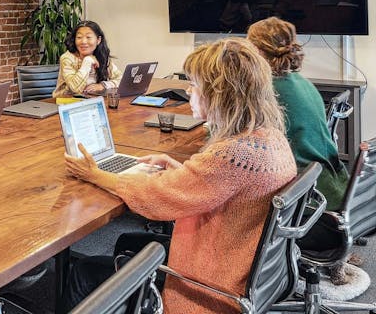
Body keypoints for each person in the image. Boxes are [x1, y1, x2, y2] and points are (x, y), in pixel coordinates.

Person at [61, 38, 296, 314]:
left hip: (208, 288)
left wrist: (97, 175)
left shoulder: (233, 155)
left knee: (84, 270)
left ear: (219, 93)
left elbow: (156, 200)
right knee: (127, 242)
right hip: (240, 268)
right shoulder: (268, 138)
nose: (188, 89)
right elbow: (214, 184)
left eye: (195, 84)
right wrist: (180, 170)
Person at [246, 17, 349, 210]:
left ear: (257, 51)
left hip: (307, 197)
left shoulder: (268, 92)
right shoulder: (301, 82)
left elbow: (240, 140)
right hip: (335, 183)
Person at [52, 20, 122, 98]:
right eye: (79, 37)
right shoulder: (67, 58)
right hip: (66, 103)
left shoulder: (101, 56)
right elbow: (76, 89)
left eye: (88, 37)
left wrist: (103, 85)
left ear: (98, 40)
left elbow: (121, 79)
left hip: (91, 101)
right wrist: (87, 61)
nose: (83, 41)